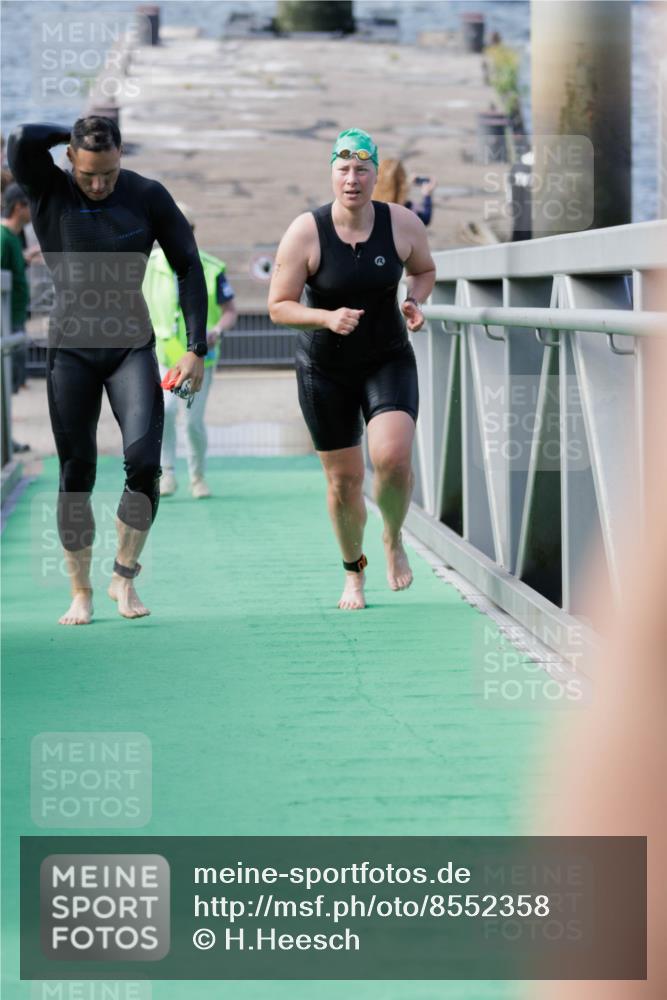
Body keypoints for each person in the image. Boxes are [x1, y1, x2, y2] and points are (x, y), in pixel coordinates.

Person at [8, 117, 208, 625]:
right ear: (70, 159)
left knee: (144, 465)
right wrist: (73, 130)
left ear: (122, 158)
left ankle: (124, 573)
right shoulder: (48, 188)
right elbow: (21, 140)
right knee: (76, 473)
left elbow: (188, 264)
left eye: (110, 174)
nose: (99, 186)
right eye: (89, 174)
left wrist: (195, 347)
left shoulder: (146, 195)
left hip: (130, 348)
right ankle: (81, 590)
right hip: (71, 352)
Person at [268, 127, 435, 610]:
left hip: (386, 358)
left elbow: (424, 270)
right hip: (325, 370)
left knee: (393, 459)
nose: (352, 179)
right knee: (344, 483)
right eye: (343, 169)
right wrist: (325, 316)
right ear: (331, 175)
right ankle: (354, 571)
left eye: (362, 169)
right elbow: (278, 306)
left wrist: (413, 300)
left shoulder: (401, 223)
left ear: (376, 175)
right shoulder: (306, 231)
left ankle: (393, 536)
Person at [142, 202, 237, 499]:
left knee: (193, 420)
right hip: (161, 357)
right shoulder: (147, 265)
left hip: (199, 360)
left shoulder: (211, 267)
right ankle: (167, 473)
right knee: (167, 412)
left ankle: (198, 476)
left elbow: (230, 310)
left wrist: (218, 329)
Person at [1, 183, 30, 399]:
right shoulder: (3, 238)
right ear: (20, 206)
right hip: (5, 321)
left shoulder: (13, 237)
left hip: (14, 318)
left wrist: (26, 258)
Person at [373, 158, 437, 227]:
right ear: (402, 180)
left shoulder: (371, 205)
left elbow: (390, 186)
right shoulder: (407, 209)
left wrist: (408, 183)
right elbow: (425, 219)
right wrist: (427, 195)